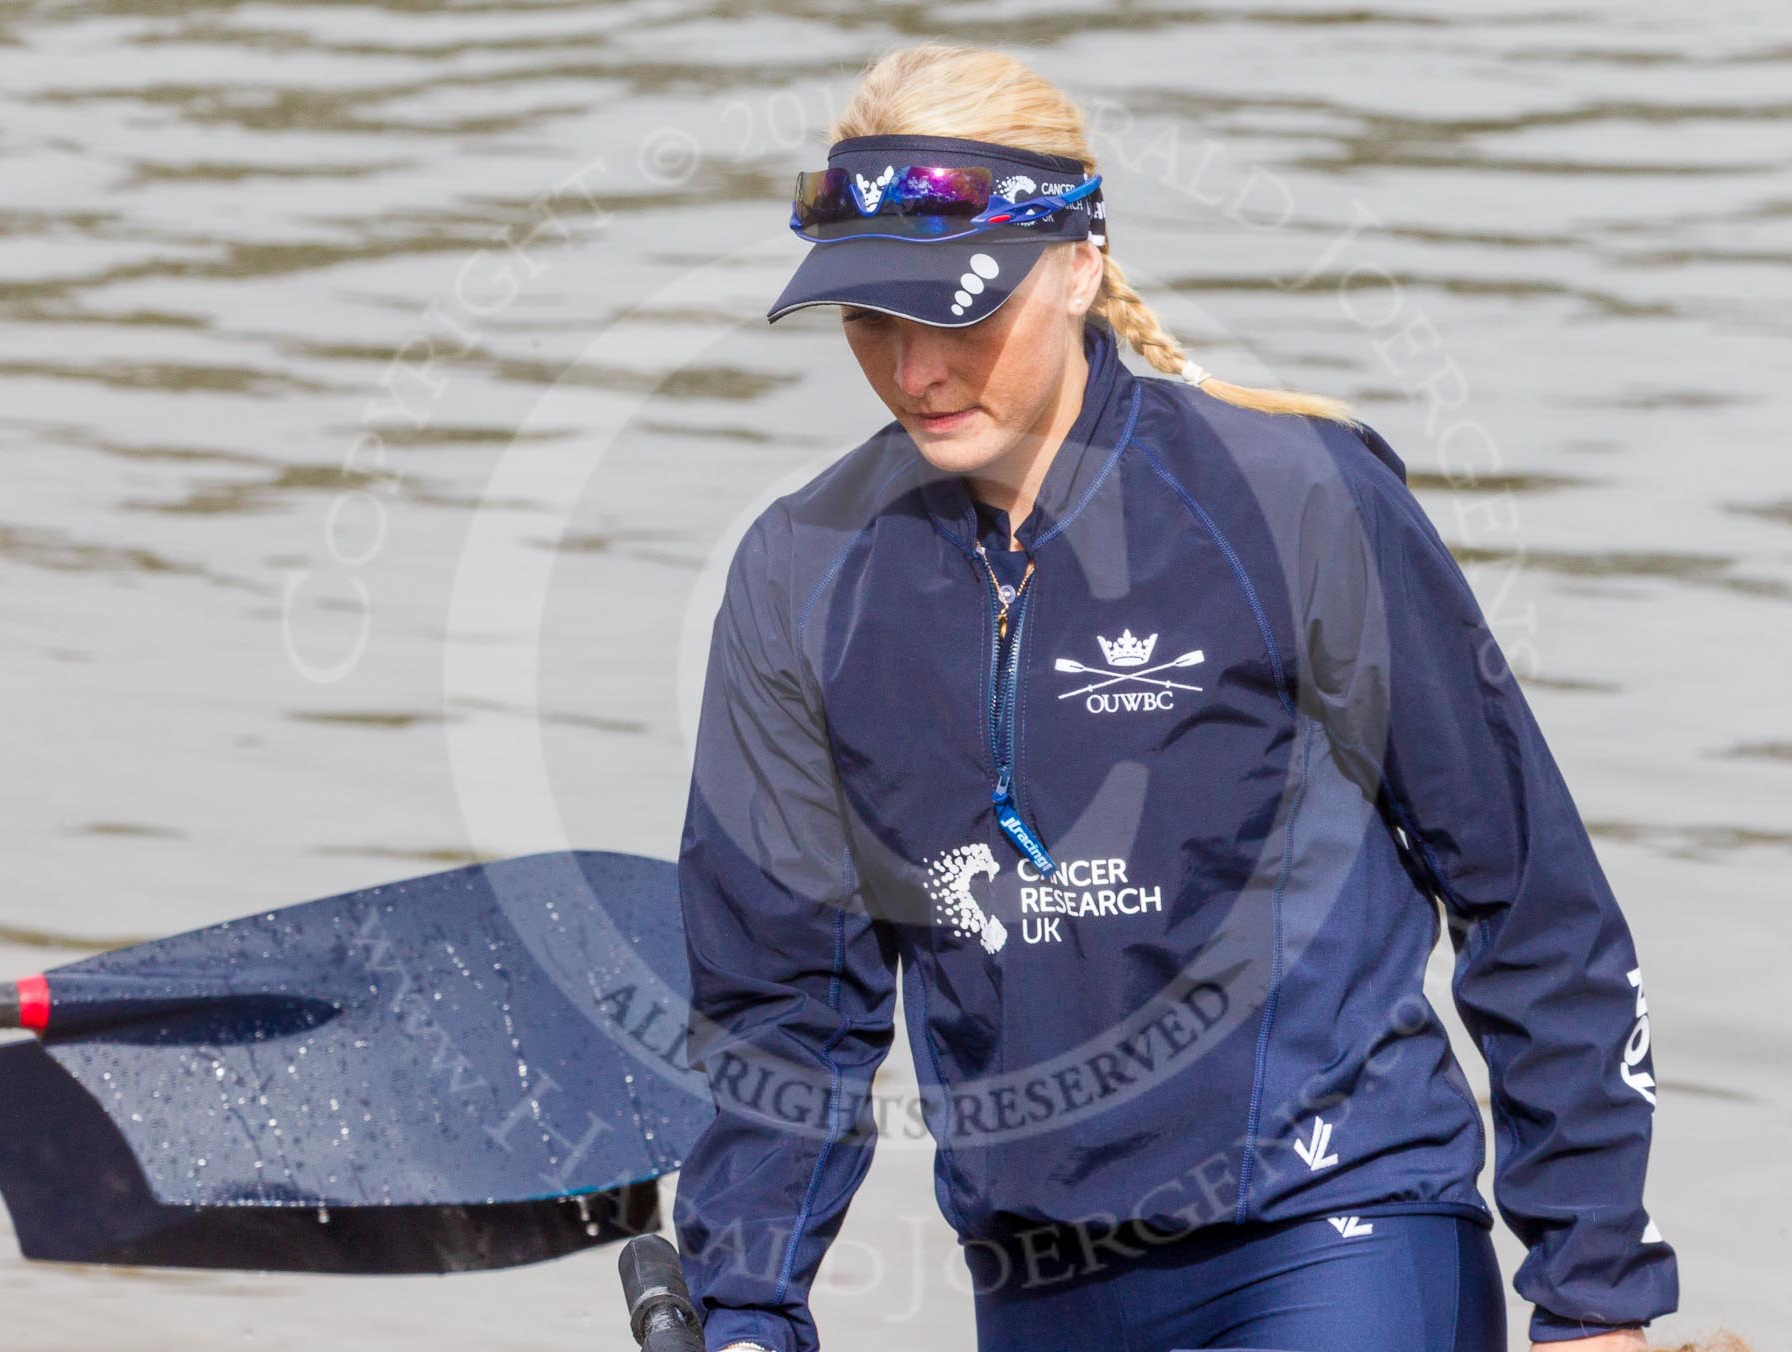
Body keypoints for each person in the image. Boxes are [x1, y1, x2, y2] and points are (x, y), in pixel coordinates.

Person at [673, 42, 1682, 1352]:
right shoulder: (800, 576)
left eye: (960, 314)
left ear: (1080, 260)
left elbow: (1524, 891)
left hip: (1336, 1219)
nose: (916, 370)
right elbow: (790, 1006)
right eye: (873, 320)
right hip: (1037, 1276)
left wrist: (1592, 1285)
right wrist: (748, 1308)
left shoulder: (1295, 497)